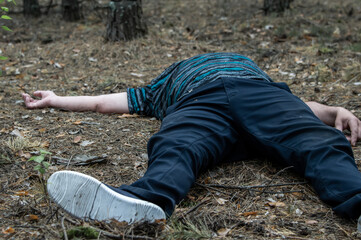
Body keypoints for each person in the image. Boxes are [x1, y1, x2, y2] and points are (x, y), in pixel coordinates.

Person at [22, 53, 361, 226]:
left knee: (318, 139)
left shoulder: (250, 69)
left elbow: (298, 109)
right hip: (200, 104)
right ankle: (144, 202)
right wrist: (55, 100)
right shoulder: (159, 88)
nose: (207, 59)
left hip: (261, 95)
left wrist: (332, 112)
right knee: (176, 144)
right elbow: (102, 103)